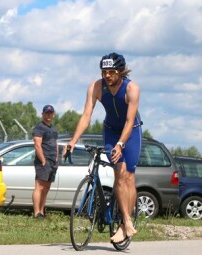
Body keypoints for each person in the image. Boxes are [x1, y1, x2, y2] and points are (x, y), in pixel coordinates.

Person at [64, 52, 142, 243]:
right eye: (104, 71)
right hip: (110, 130)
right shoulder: (97, 86)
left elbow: (130, 121)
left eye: (111, 72)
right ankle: (125, 219)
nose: (107, 75)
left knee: (128, 176)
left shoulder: (131, 88)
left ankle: (126, 223)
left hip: (131, 132)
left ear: (121, 72)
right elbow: (86, 115)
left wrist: (121, 144)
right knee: (119, 171)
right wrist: (73, 141)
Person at [32, 105, 58, 218]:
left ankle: (42, 211)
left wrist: (56, 158)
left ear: (53, 114)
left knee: (46, 187)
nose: (48, 115)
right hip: (43, 161)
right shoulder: (39, 128)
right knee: (40, 186)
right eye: (46, 113)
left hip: (53, 161)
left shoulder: (53, 129)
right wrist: (43, 160)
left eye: (50, 113)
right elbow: (37, 145)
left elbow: (55, 144)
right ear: (42, 114)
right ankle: (36, 212)